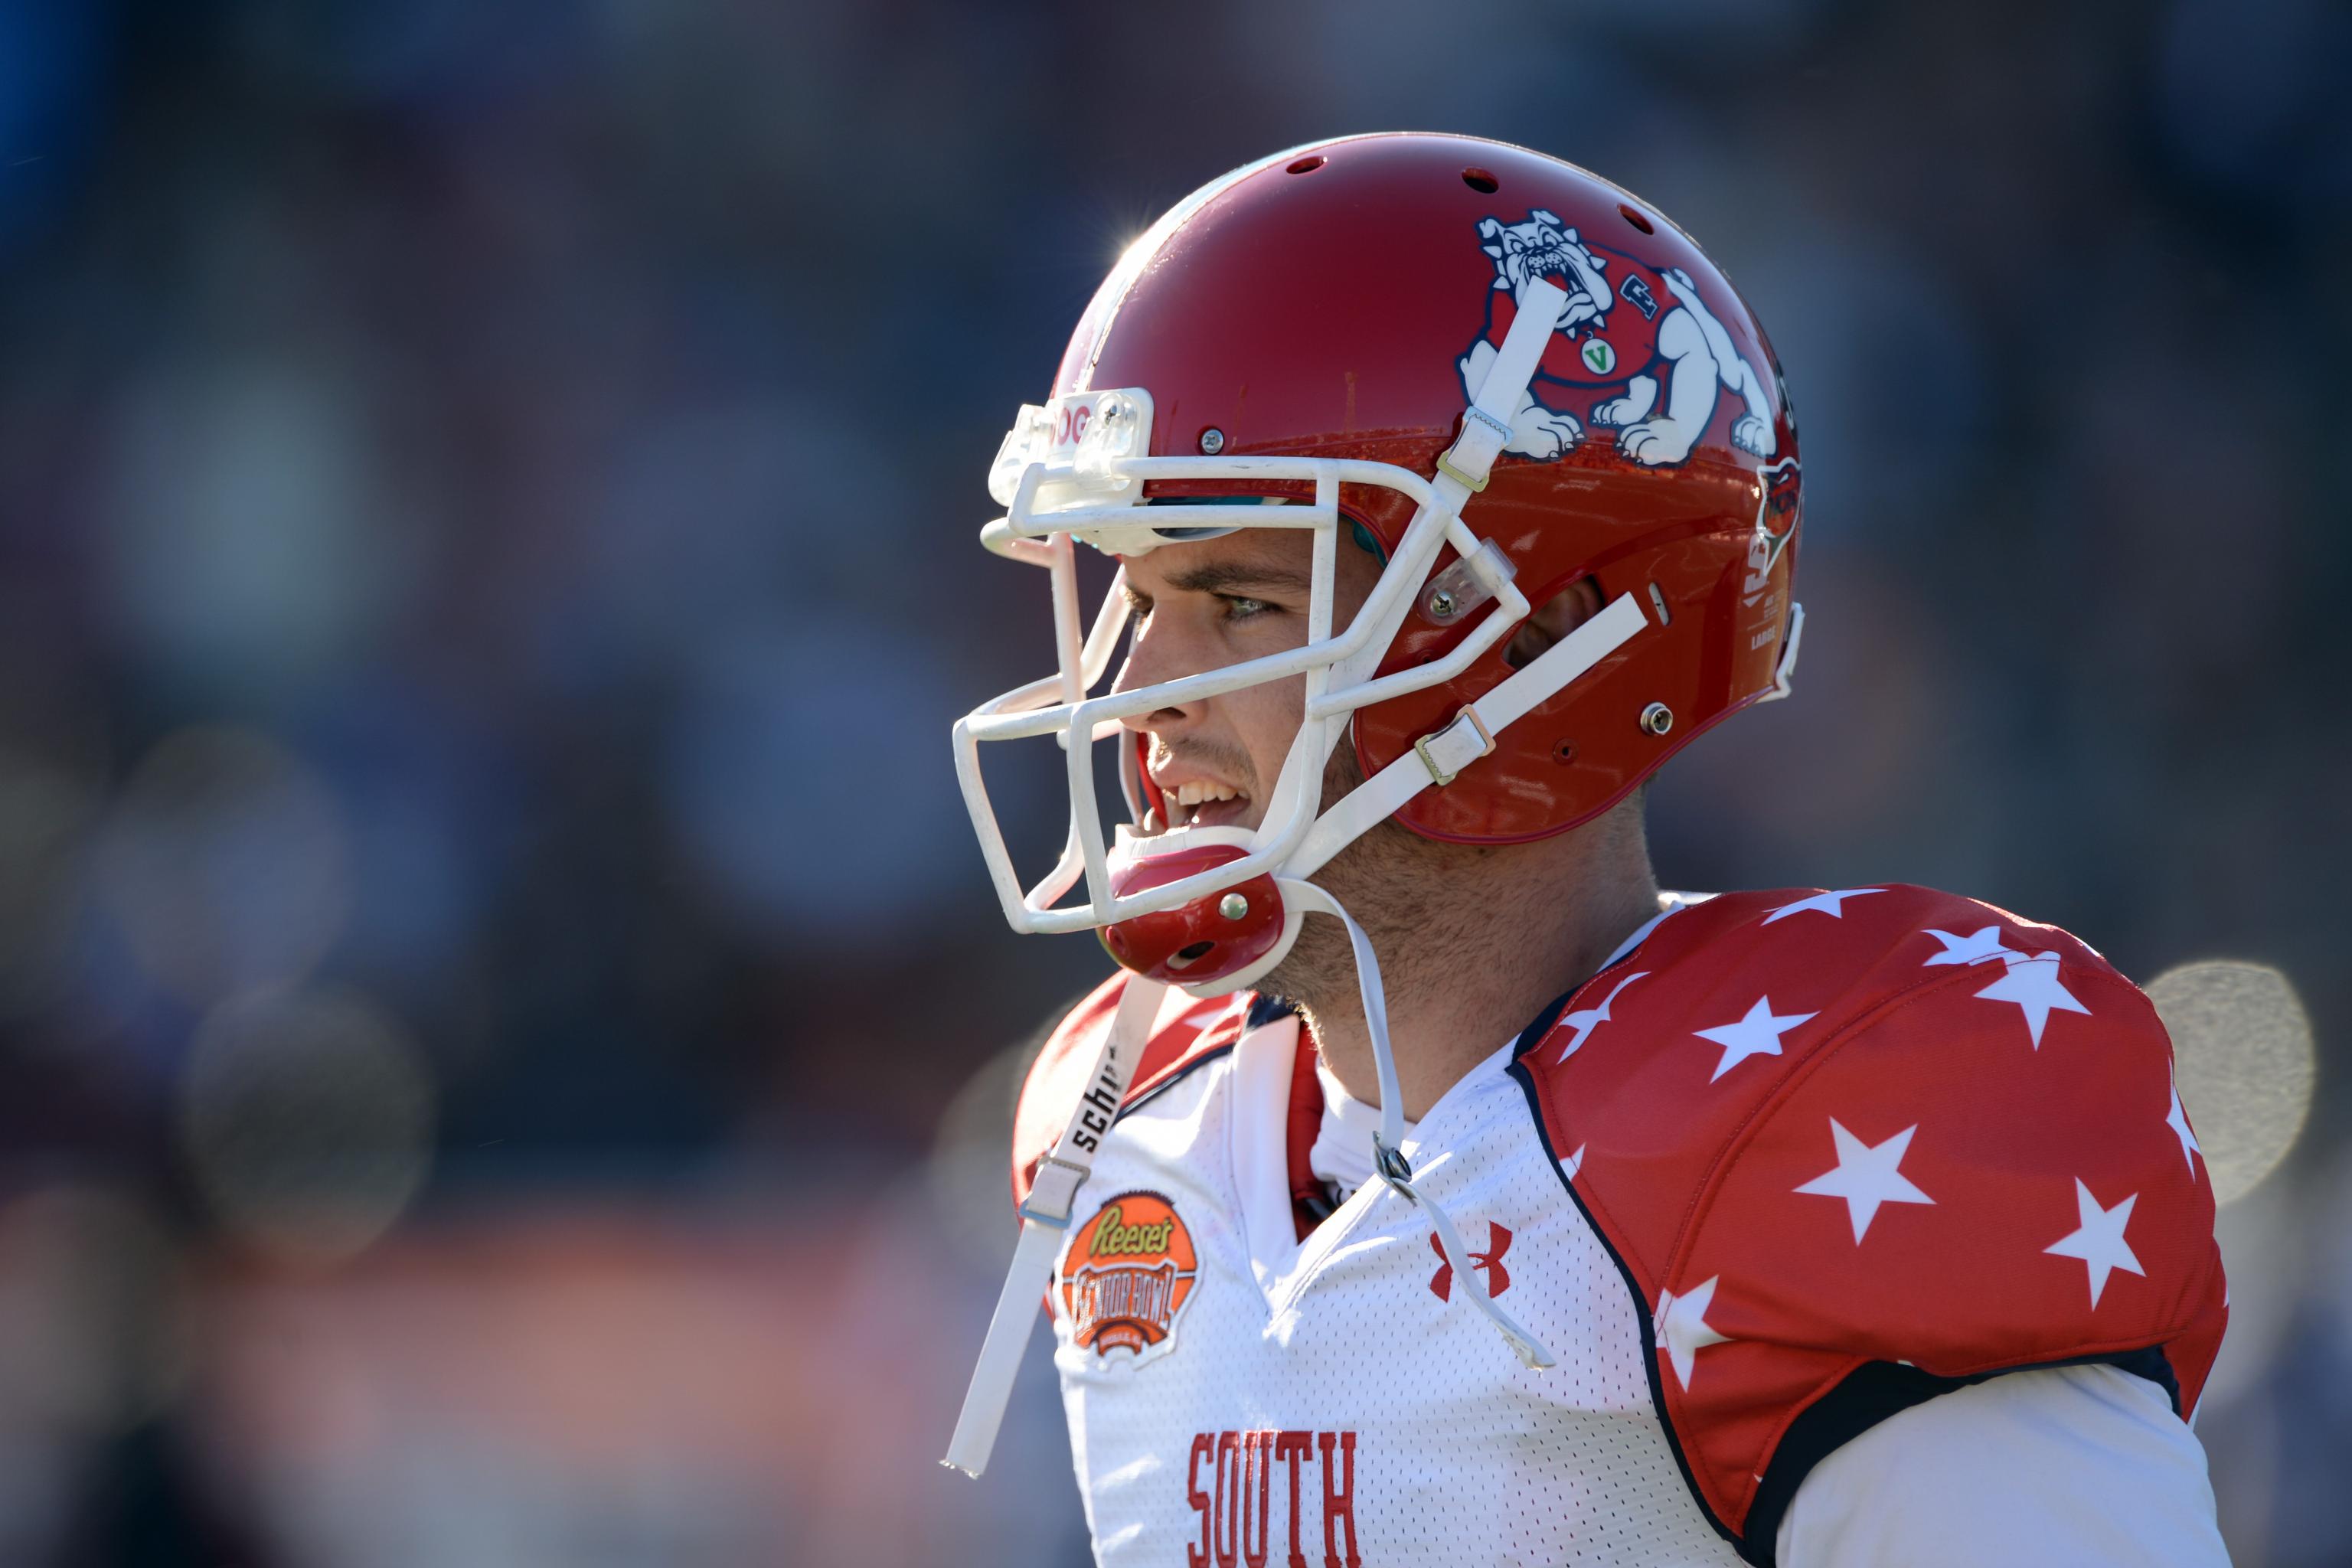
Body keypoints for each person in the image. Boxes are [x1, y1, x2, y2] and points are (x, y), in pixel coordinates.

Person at [941, 132, 2231, 1567]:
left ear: (1546, 646)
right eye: (1138, 601)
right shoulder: (1136, 1139)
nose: (1149, 691)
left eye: (1241, 601)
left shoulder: (1800, 1149)